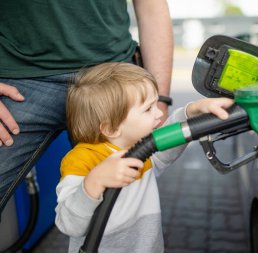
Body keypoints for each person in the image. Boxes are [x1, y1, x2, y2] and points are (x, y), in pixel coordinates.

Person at [0, 0, 173, 216]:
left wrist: (160, 101)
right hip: (20, 78)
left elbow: (151, 5)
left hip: (115, 79)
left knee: (126, 211)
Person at [54, 62, 234, 253]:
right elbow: (69, 225)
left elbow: (163, 151)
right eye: (148, 109)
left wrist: (190, 113)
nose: (158, 113)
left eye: (156, 103)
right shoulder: (81, 160)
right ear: (111, 128)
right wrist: (94, 181)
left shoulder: (138, 147)